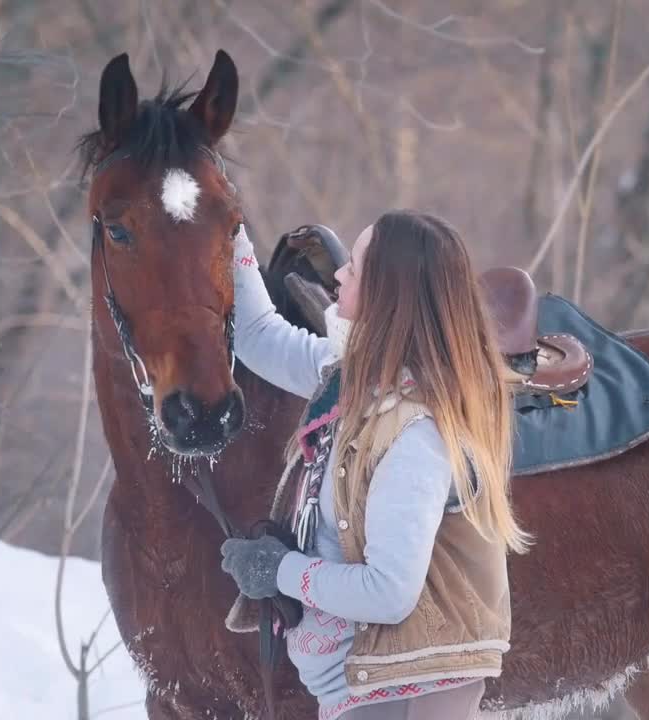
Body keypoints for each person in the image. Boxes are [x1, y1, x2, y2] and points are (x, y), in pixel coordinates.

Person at [219, 210, 530, 720]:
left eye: (356, 269)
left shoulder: (415, 433)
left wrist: (281, 571)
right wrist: (228, 227)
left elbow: (388, 593)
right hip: (368, 695)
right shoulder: (357, 382)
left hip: (404, 699)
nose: (338, 273)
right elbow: (257, 338)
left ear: (389, 295)